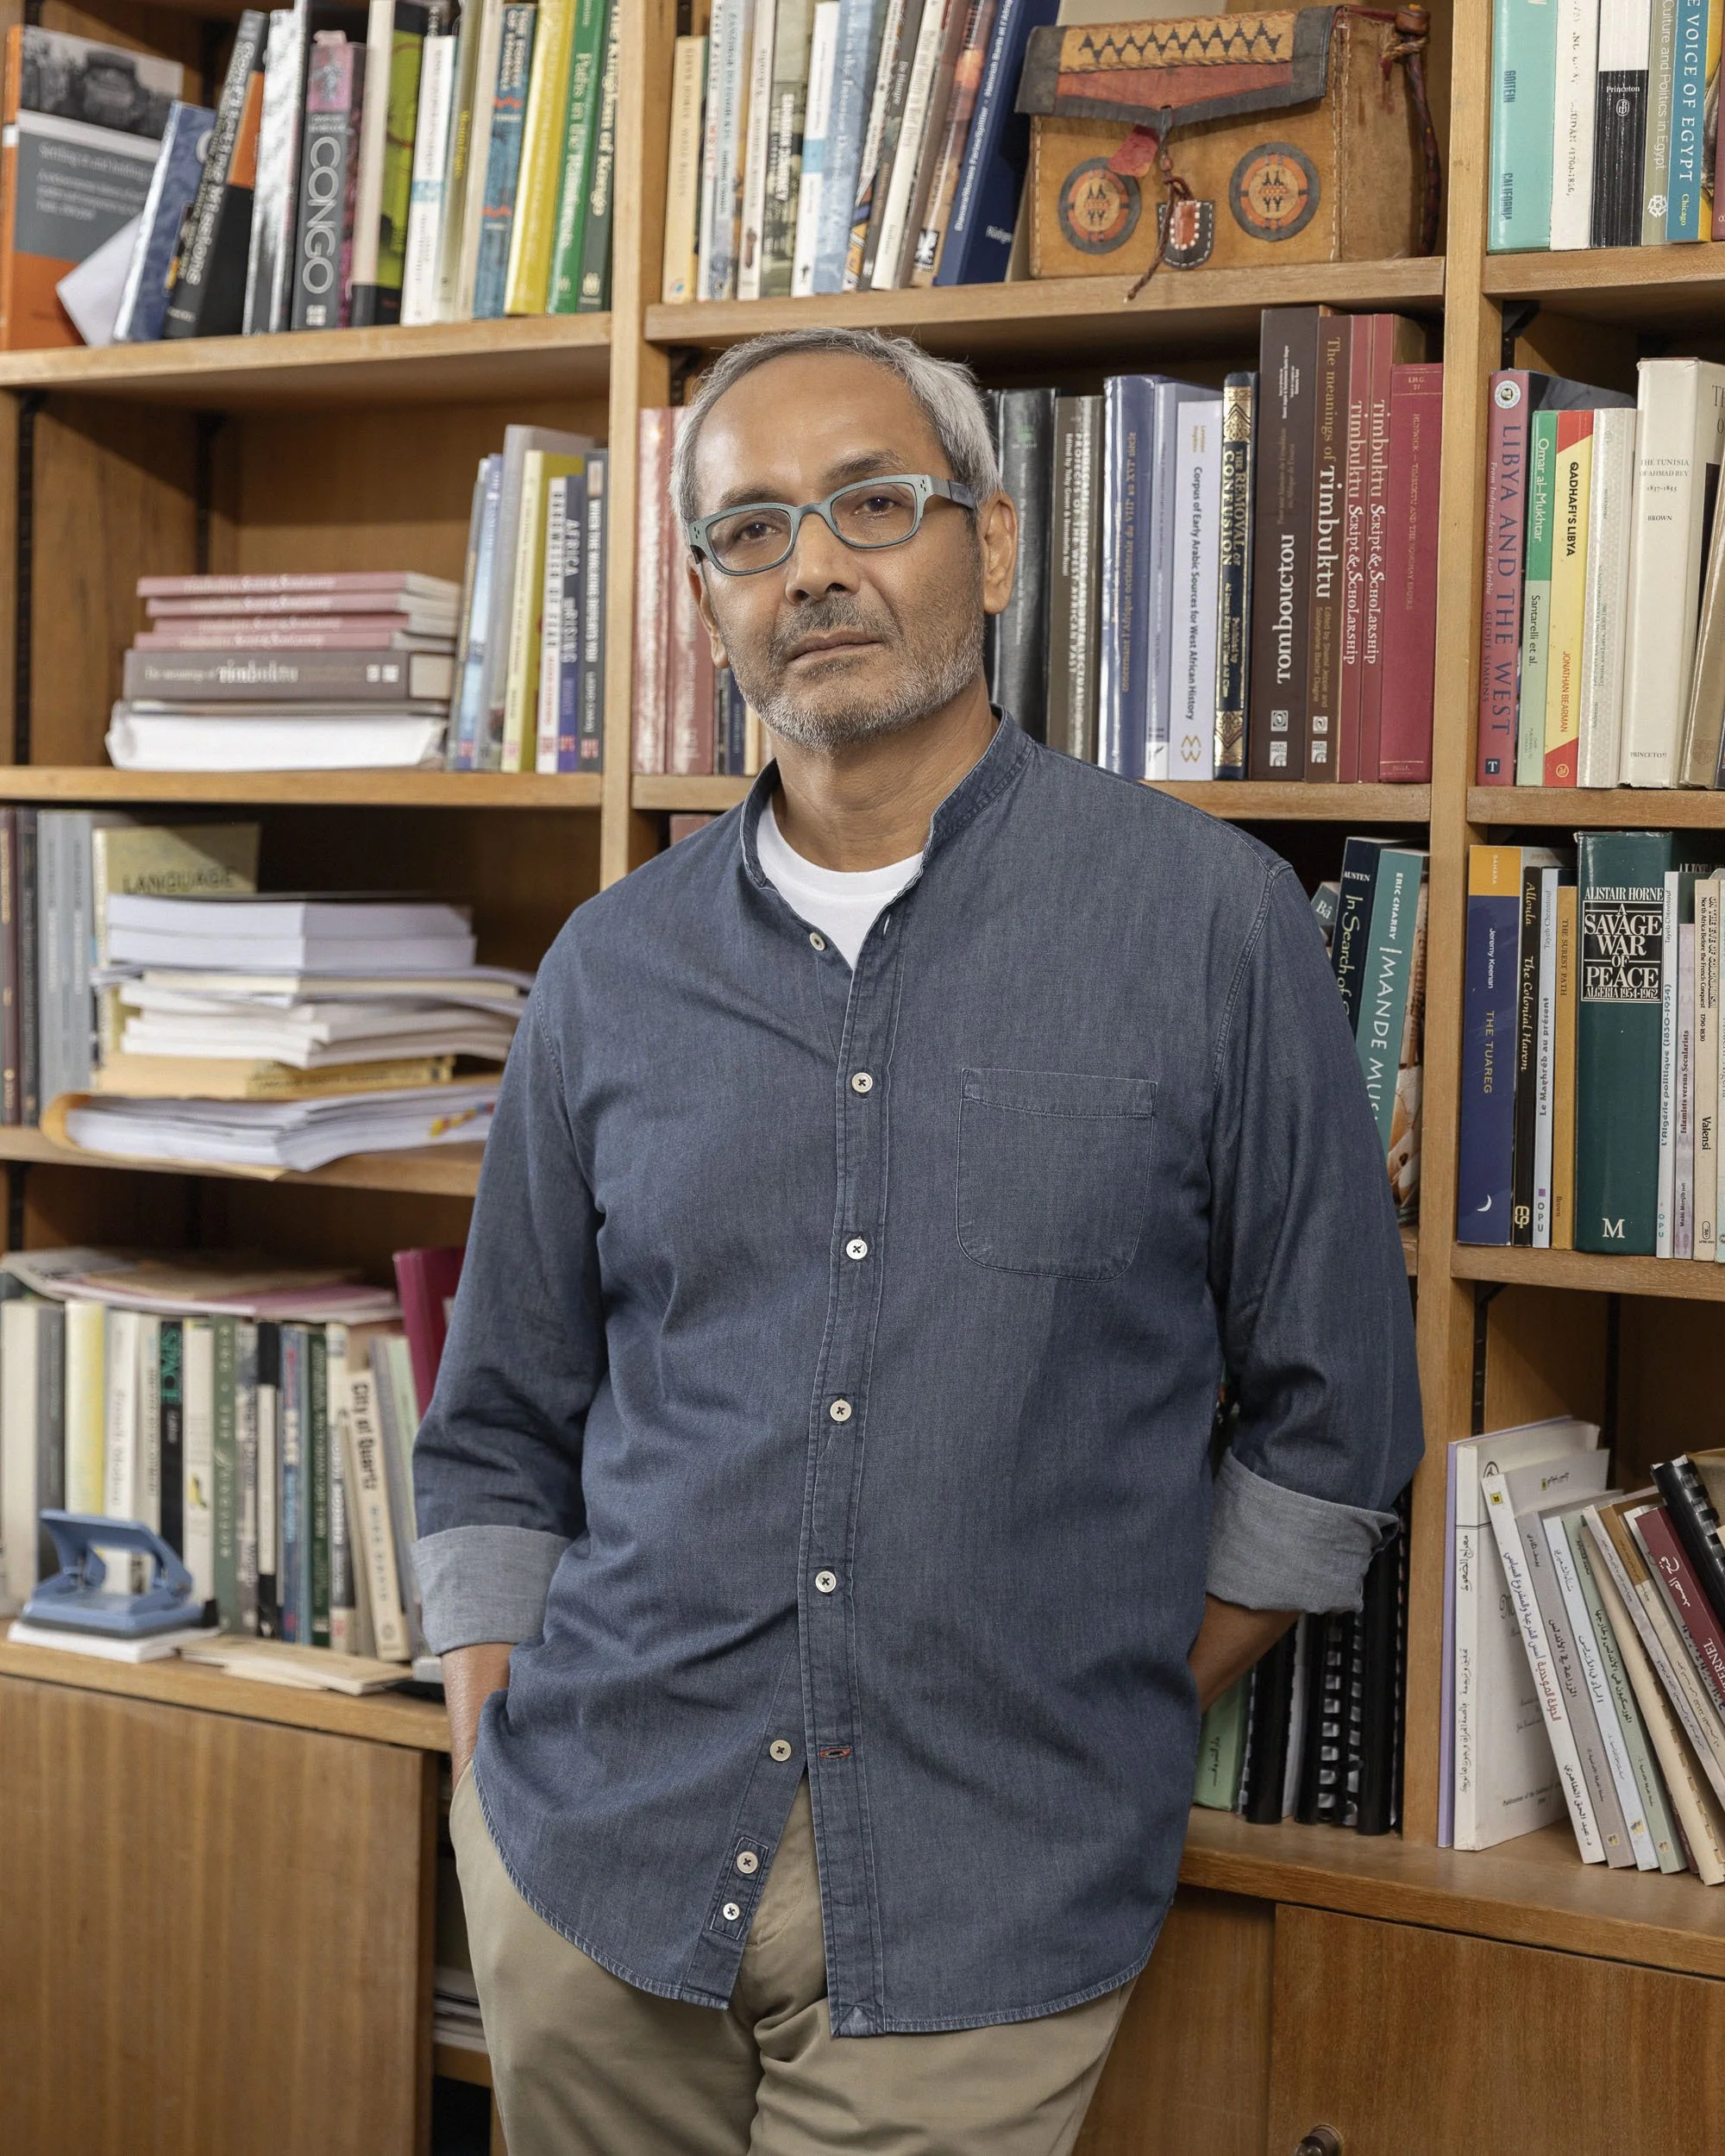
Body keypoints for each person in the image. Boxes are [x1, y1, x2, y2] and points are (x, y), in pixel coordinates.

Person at [413, 326, 1422, 2156]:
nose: (812, 566)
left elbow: (1330, 1426)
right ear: (708, 597)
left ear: (997, 545)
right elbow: (498, 1420)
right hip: (592, 1874)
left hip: (986, 1890)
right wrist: (496, 1752)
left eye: (872, 503)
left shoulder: (1212, 925)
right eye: (749, 530)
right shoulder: (607, 969)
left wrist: (1082, 1680)